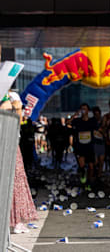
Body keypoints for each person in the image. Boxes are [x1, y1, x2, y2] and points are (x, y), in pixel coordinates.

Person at [1, 92, 38, 234]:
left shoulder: (12, 97)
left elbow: (19, 121)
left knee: (16, 180)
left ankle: (17, 220)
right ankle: (12, 221)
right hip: (4, 142)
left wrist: (16, 108)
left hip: (10, 141)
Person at [69, 103, 98, 191]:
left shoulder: (92, 121)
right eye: (82, 109)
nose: (83, 111)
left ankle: (89, 183)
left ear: (88, 111)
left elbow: (97, 129)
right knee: (82, 166)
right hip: (80, 146)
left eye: (85, 109)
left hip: (89, 146)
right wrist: (75, 114)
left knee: (91, 166)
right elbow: (68, 122)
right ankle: (83, 174)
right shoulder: (77, 121)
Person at [92, 106, 106, 180]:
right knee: (95, 161)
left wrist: (102, 130)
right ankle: (95, 173)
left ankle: (99, 174)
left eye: (98, 114)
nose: (97, 116)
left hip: (102, 144)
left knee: (101, 161)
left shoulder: (103, 122)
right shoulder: (92, 122)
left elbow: (105, 133)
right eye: (95, 114)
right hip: (94, 144)